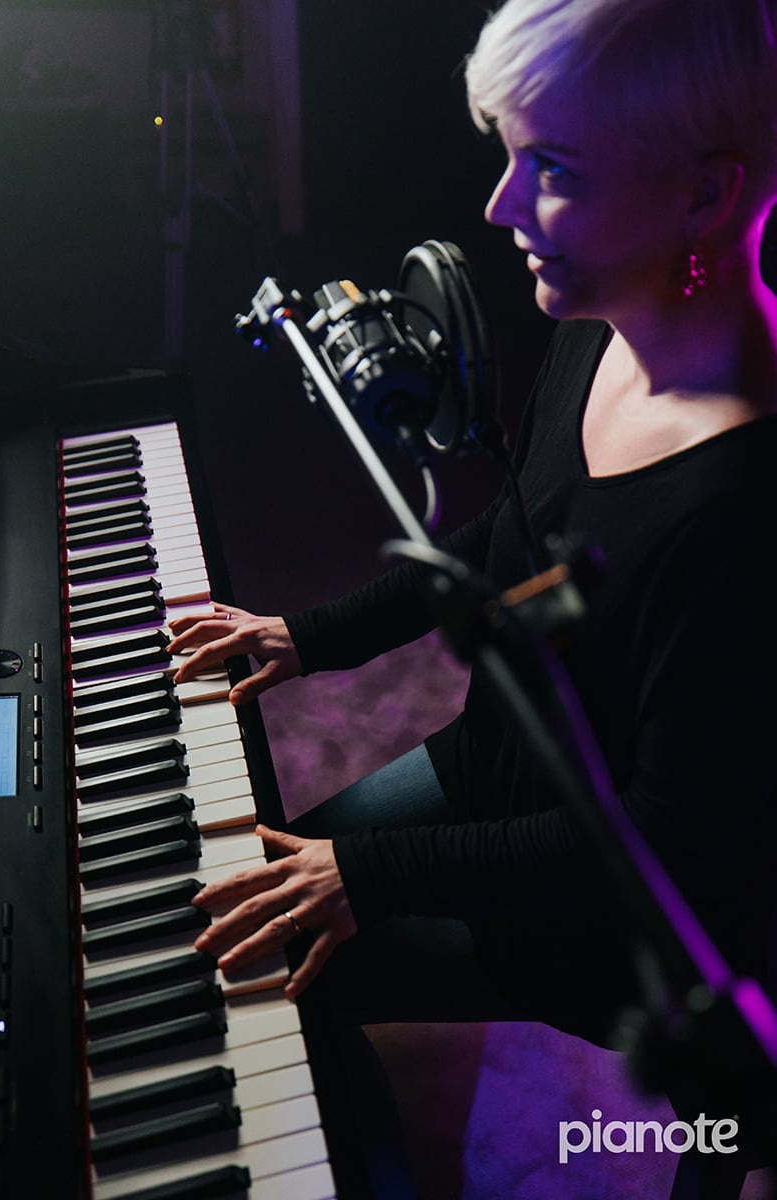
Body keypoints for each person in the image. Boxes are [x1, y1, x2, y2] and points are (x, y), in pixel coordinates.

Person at [168, 0, 777, 1184]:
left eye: (546, 168)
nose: (496, 209)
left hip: (591, 923)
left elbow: (661, 846)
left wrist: (371, 876)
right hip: (490, 766)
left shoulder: (738, 514)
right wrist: (310, 635)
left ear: (703, 195)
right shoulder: (602, 324)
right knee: (241, 914)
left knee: (251, 988)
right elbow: (517, 533)